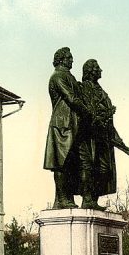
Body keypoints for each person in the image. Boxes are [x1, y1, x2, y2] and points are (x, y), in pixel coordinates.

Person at [77, 59, 129, 210]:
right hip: (89, 136)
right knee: (89, 167)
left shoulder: (102, 92)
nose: (101, 70)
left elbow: (109, 120)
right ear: (90, 71)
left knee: (104, 170)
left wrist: (119, 140)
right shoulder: (83, 89)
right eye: (97, 68)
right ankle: (87, 199)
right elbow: (86, 111)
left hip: (104, 138)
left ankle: (93, 199)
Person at [43, 47, 87, 209]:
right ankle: (62, 198)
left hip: (71, 124)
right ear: (61, 59)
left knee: (70, 163)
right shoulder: (58, 76)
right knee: (62, 163)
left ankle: (64, 198)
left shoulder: (69, 76)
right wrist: (87, 111)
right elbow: (71, 98)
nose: (72, 60)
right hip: (62, 124)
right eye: (69, 57)